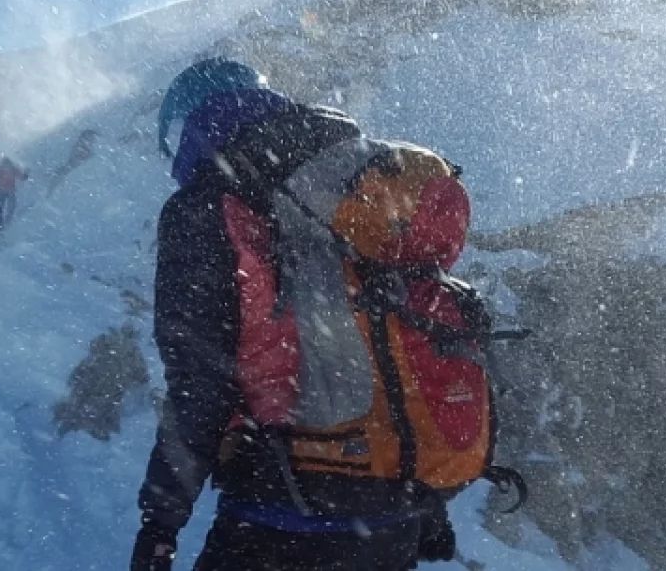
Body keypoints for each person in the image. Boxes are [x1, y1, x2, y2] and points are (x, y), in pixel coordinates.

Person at [131, 60, 455, 571]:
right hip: (390, 517)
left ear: (194, 124)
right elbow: (398, 339)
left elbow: (201, 381)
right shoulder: (348, 183)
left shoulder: (207, 207)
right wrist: (427, 503)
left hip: (281, 510)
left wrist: (159, 522)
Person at [0, 156, 28, 226]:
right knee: (4, 208)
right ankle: (3, 222)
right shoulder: (3, 170)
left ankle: (4, 221)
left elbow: (21, 176)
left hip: (6, 191)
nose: (6, 167)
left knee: (6, 207)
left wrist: (24, 176)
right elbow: (21, 176)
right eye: (5, 165)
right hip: (6, 191)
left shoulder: (4, 170)